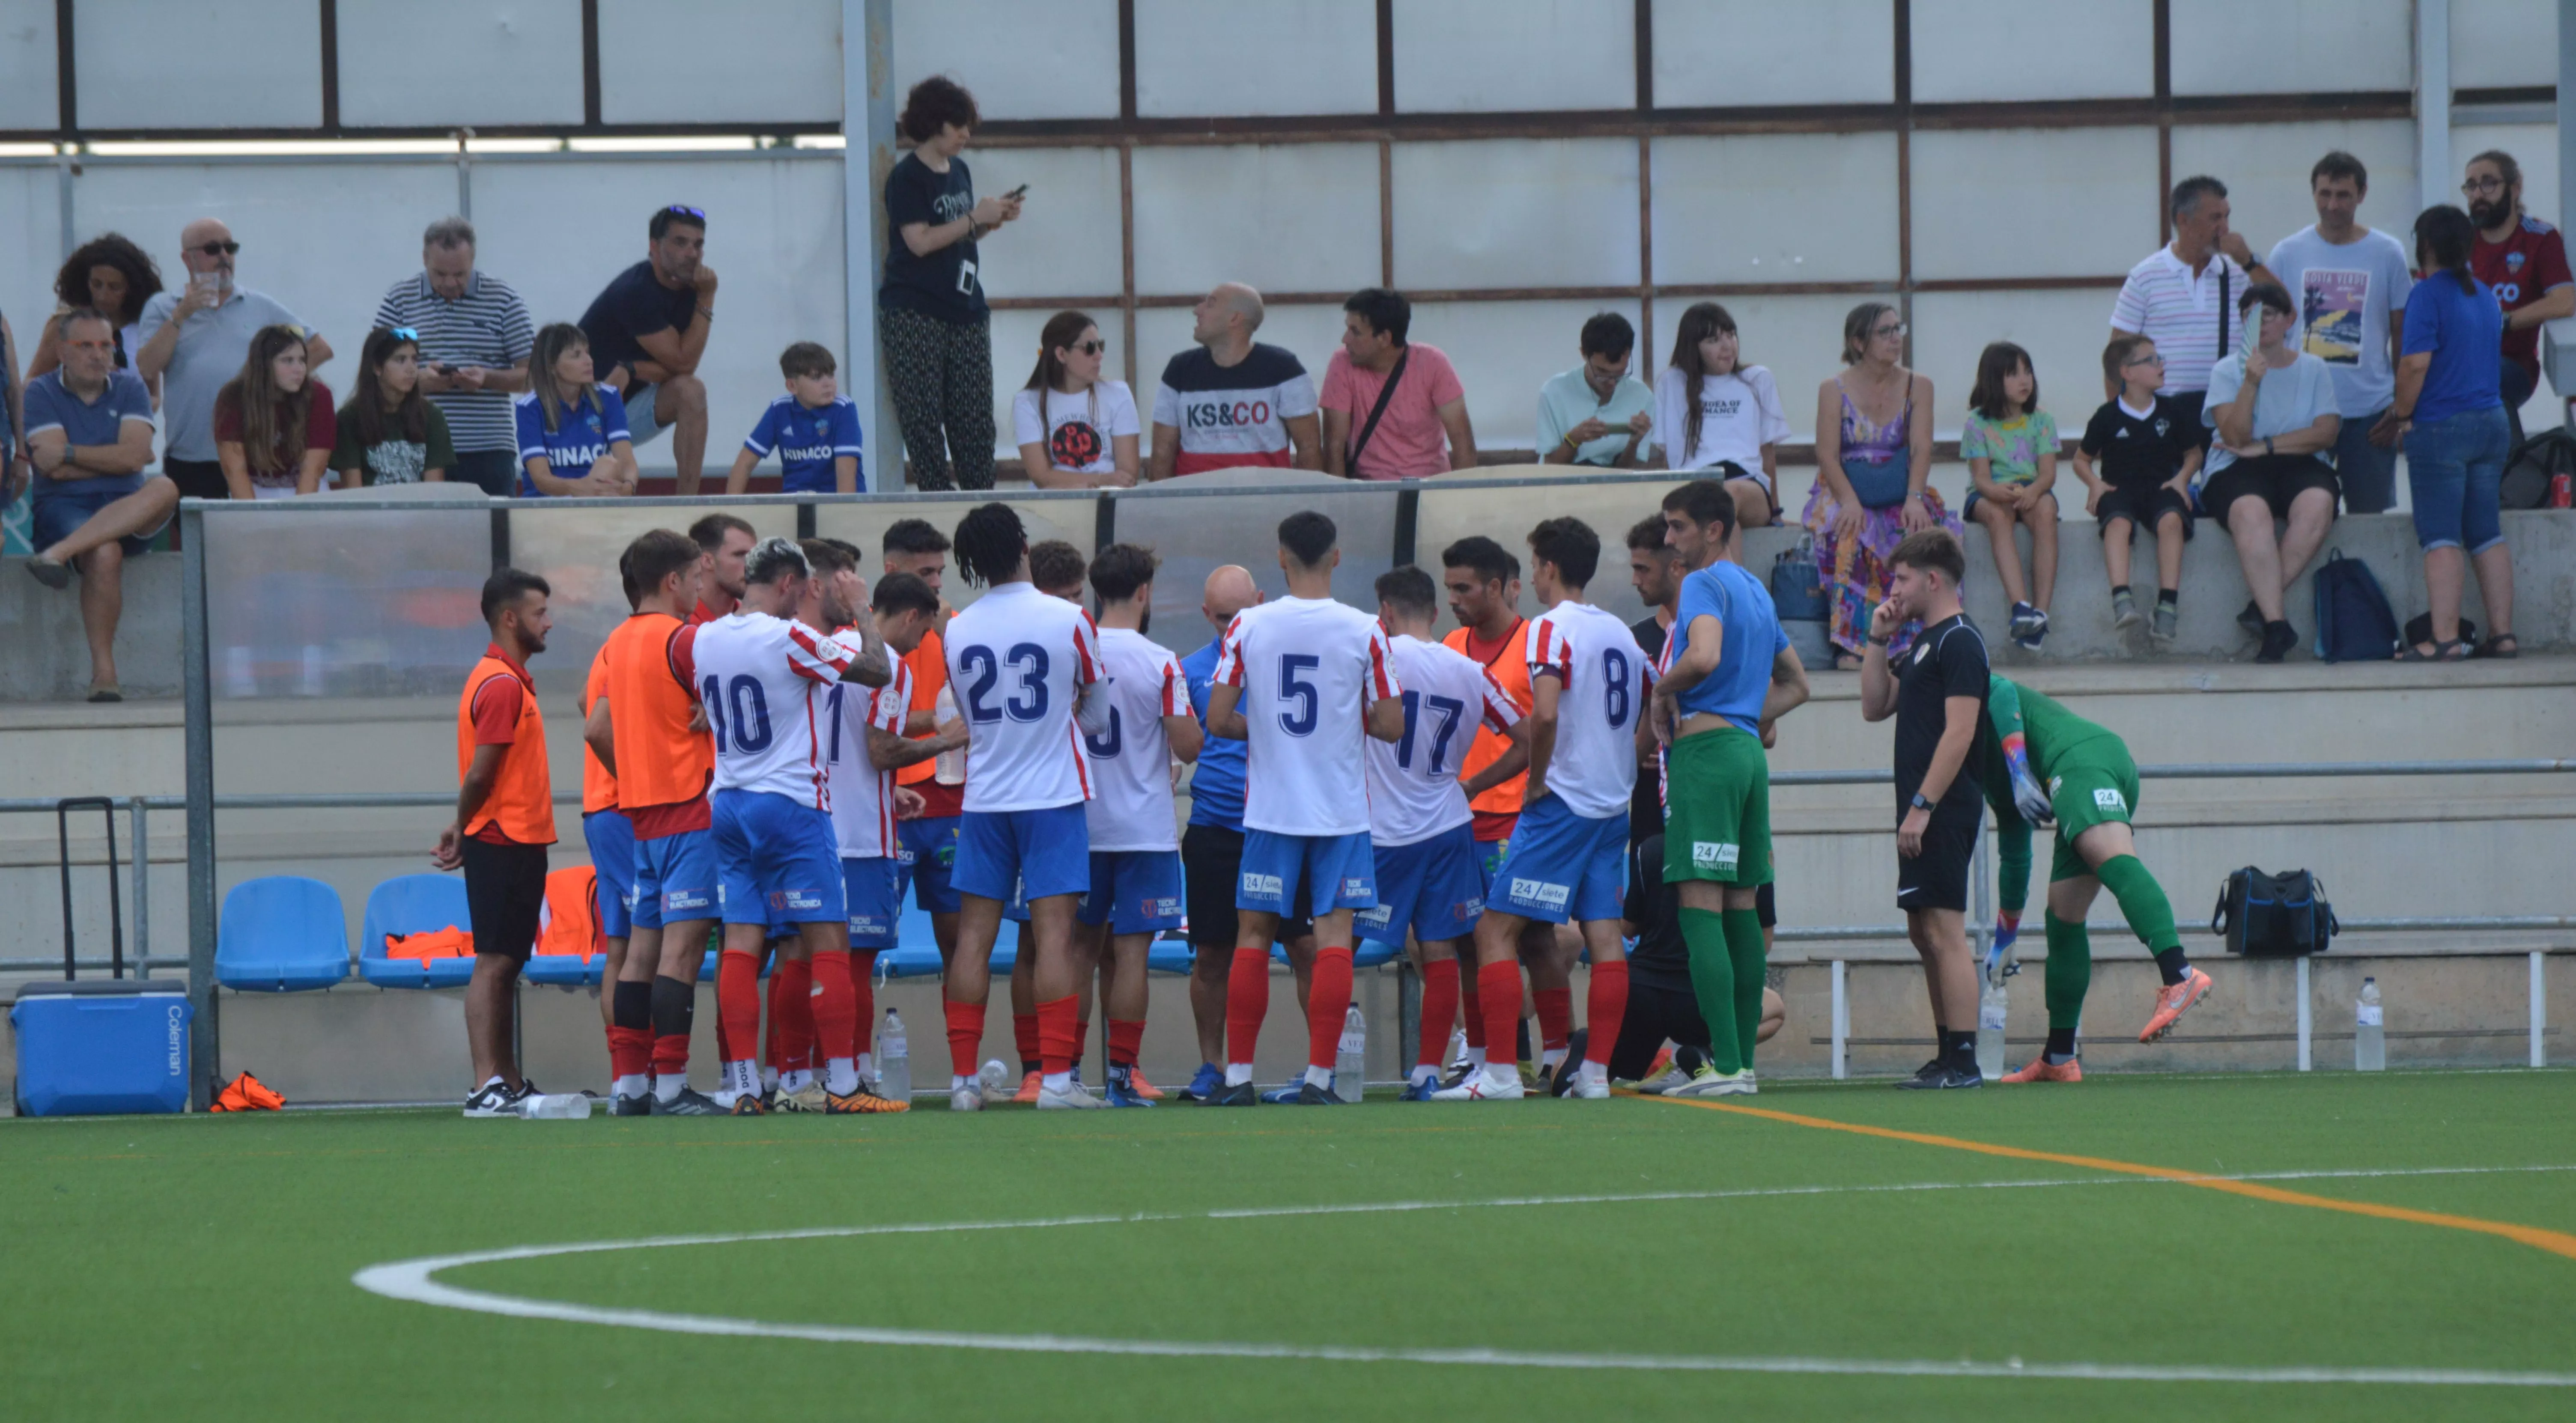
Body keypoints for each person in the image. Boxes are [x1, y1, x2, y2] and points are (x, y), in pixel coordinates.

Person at [1437, 518, 1647, 1102]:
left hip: (1563, 802)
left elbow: (1546, 715)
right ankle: (1595, 1075)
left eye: (1532, 566)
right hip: (1611, 804)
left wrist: (1537, 780)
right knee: (1604, 937)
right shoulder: (1621, 633)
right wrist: (1626, 760)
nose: (1530, 576)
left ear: (1548, 567)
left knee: (1493, 929)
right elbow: (1659, 700)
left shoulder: (1549, 631)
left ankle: (1501, 1073)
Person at [1206, 512, 1405, 1104]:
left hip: (1272, 811)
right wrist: (1343, 726)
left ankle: (1238, 1077)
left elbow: (1217, 720)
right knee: (1333, 938)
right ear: (1337, 558)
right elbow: (1392, 725)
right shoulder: (1366, 629)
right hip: (1340, 812)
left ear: (1281, 557)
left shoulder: (1248, 625)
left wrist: (1268, 731)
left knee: (1252, 935)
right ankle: (1322, 1078)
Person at [688, 538, 883, 1114]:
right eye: (801, 590)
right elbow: (873, 670)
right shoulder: (787, 636)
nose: (804, 600)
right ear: (786, 584)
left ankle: (746, 1086)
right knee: (828, 938)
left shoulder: (704, 638)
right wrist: (863, 611)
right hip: (791, 802)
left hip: (728, 803)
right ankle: (845, 1086)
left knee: (743, 943)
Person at [939, 503, 1110, 1110]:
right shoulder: (1069, 618)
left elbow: (966, 713)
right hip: (1053, 795)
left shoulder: (956, 628)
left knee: (973, 941)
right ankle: (1057, 1081)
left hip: (985, 798)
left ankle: (963, 1083)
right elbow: (1097, 712)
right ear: (1024, 547)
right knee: (1056, 937)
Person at [1645, 479, 1810, 1096]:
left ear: (1714, 529)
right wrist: (1753, 713)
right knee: (1742, 910)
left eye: (1678, 526)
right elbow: (1798, 684)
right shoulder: (1758, 592)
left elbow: (1704, 657)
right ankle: (1739, 1066)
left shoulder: (1703, 583)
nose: (1669, 539)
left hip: (1708, 757)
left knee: (1699, 911)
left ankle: (1726, 1065)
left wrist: (1664, 688)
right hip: (1745, 755)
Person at [1981, 676, 2212, 1085]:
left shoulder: (1966, 686)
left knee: (2116, 862)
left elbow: (1999, 689)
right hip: (2086, 764)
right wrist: (2005, 937)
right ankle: (2059, 1056)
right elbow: (2015, 849)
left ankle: (2179, 975)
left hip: (2079, 761)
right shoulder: (1977, 760)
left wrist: (2019, 768)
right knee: (2064, 913)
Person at [1360, 566, 1527, 1101]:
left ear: (1384, 613)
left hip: (1383, 831)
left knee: (1330, 945)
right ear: (1434, 612)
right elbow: (1526, 738)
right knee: (1441, 953)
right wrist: (1472, 785)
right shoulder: (1470, 670)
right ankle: (1426, 1072)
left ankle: (1326, 1072)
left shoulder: (1374, 659)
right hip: (1449, 827)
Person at [586, 528, 725, 1115]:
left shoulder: (616, 643)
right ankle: (671, 1085)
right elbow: (734, 706)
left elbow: (598, 724)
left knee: (640, 951)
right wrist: (709, 712)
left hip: (640, 815)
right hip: (690, 809)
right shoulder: (687, 640)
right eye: (696, 577)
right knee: (681, 951)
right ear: (673, 581)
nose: (700, 587)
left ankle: (629, 1085)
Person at [1176, 563, 1320, 1101]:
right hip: (1217, 826)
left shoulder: (1288, 660)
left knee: (1306, 946)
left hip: (1285, 823)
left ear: (1262, 600)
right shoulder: (1191, 669)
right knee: (1212, 954)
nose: (1229, 626)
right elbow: (1183, 742)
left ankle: (1320, 1070)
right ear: (1205, 614)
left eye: (1240, 614)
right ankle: (1214, 1067)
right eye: (1220, 618)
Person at [1857, 529, 1988, 1090]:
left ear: (1933, 579)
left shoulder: (1960, 640)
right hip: (1919, 809)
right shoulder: (1922, 643)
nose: (1896, 590)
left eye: (1904, 579)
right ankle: (1946, 1053)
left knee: (1944, 931)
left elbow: (1960, 734)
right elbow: (1874, 706)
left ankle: (1964, 1060)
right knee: (1923, 931)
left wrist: (1923, 806)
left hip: (1942, 808)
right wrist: (1878, 640)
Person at [1076, 545, 1205, 1107]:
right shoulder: (1161, 661)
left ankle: (1063, 1075)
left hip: (1079, 825)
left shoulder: (1075, 653)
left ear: (1096, 592)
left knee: (1075, 952)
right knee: (1131, 955)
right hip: (1144, 830)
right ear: (1144, 592)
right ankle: (1125, 1075)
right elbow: (1188, 744)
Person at [826, 569, 957, 1099]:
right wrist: (949, 741)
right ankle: (854, 1074)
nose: (923, 641)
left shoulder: (823, 647)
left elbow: (846, 743)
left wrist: (889, 791)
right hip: (860, 836)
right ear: (911, 617)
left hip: (815, 823)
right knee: (855, 962)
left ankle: (791, 1075)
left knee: (803, 957)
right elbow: (882, 752)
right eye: (925, 630)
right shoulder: (892, 666)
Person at [432, 568, 555, 1117]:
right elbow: (481, 775)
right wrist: (464, 824)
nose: (548, 622)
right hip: (502, 837)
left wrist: (465, 823)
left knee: (506, 963)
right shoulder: (502, 684)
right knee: (494, 962)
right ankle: (487, 1085)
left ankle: (505, 1079)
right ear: (510, 619)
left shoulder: (507, 678)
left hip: (513, 836)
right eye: (539, 613)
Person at [18, 309, 177, 702]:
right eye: (85, 345)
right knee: (105, 551)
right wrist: (110, 462)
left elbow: (136, 458)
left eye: (106, 345)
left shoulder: (130, 386)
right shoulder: (39, 392)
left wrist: (70, 453)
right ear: (62, 352)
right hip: (65, 508)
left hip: (127, 506)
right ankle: (104, 674)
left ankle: (57, 555)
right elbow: (49, 469)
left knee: (167, 488)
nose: (98, 354)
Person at [2381, 205, 2516, 661]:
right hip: (2492, 422)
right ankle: (2502, 635)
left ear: (2426, 247)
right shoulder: (2485, 295)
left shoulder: (2426, 295)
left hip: (2441, 428)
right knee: (2485, 533)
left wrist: (2401, 415)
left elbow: (2414, 364)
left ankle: (2444, 641)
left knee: (2439, 536)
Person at [1439, 536, 1551, 1083]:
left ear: (1496, 585)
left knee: (1533, 939)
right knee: (1465, 940)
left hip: (1515, 817)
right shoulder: (1450, 644)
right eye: (1449, 588)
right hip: (1459, 822)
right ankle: (1487, 1060)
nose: (1455, 599)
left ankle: (1553, 1055)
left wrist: (1475, 784)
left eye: (1464, 588)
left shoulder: (1533, 642)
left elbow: (1534, 736)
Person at [881, 76, 1020, 492]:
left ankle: (981, 499)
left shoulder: (959, 169)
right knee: (923, 417)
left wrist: (989, 222)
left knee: (974, 416)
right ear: (932, 123)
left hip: (965, 306)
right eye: (956, 124)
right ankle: (936, 499)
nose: (965, 134)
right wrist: (976, 218)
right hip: (916, 309)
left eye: (967, 125)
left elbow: (958, 233)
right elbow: (919, 241)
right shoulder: (907, 177)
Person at [136, 217, 332, 503]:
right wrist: (181, 315)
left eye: (231, 248)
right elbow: (146, 368)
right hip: (194, 457)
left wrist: (266, 388)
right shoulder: (164, 307)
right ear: (186, 259)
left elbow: (316, 348)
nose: (224, 257)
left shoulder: (257, 308)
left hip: (253, 458)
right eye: (213, 249)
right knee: (201, 545)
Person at [1806, 302, 1958, 669]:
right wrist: (1849, 501)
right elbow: (1827, 454)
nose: (1896, 339)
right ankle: (1854, 646)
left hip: (1901, 485)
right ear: (1859, 342)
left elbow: (1922, 447)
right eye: (1885, 332)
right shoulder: (1833, 389)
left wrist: (1915, 497)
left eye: (1898, 329)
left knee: (1919, 535)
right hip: (1846, 486)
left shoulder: (1918, 386)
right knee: (1849, 532)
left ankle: (1915, 639)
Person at [2265, 153, 2413, 514]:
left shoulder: (2387, 252)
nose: (2332, 205)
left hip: (2369, 415)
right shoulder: (2287, 253)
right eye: (2324, 194)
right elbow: (2264, 331)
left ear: (2362, 194)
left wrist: (2401, 407)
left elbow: (2403, 334)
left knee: (2370, 519)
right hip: (2301, 411)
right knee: (2295, 513)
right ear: (2313, 193)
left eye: (2343, 195)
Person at [2201, 281, 2341, 663]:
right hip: (2234, 464)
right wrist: (2250, 383)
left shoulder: (2313, 368)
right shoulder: (2227, 371)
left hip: (2297, 461)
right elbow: (2234, 435)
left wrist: (2267, 446)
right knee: (2251, 513)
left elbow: (2325, 433)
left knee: (2317, 506)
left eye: (2269, 315)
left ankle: (2260, 606)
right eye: (2249, 316)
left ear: (2289, 320)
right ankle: (2277, 625)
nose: (2259, 323)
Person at [374, 216, 534, 497]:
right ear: (424, 259)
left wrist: (487, 379)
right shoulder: (400, 301)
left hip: (488, 449)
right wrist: (417, 381)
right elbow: (376, 371)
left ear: (474, 258)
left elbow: (532, 375)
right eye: (440, 274)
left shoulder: (504, 300)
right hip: (415, 446)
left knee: (490, 535)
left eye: (460, 274)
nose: (450, 283)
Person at [1610, 835, 1784, 1093]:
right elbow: (1762, 945)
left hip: (1642, 990)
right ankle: (1713, 1055)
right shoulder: (1752, 851)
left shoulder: (1649, 849)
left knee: (1612, 1066)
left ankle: (1580, 1054)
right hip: (1699, 1002)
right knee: (1776, 1009)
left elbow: (1628, 928)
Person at [878, 520, 969, 1007]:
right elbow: (871, 726)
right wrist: (938, 722)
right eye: (925, 571)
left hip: (949, 800)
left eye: (940, 571)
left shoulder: (956, 629)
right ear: (892, 571)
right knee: (862, 943)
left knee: (961, 945)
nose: (937, 582)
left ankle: (964, 1073)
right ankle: (852, 1068)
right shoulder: (863, 639)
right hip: (886, 801)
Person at [2110, 176, 2273, 447]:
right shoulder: (2145, 277)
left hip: (2228, 414)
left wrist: (2249, 261)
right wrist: (2120, 425)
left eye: (2227, 217)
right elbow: (2117, 356)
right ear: (2184, 221)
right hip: (2160, 417)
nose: (2225, 228)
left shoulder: (2239, 274)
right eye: (2215, 218)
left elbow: (2285, 310)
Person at [578, 205, 715, 493]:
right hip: (583, 415)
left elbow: (685, 368)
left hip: (628, 404)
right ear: (654, 246)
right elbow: (683, 362)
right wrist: (708, 296)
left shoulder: (692, 288)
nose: (692, 253)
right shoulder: (635, 291)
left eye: (698, 245)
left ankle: (687, 507)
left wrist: (635, 368)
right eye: (681, 243)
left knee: (691, 391)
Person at [2074, 336, 2200, 644]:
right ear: (2127, 373)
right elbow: (2081, 459)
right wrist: (2095, 484)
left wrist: (2183, 479)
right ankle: (2122, 599)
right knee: (2118, 522)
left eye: (2160, 359)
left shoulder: (2172, 410)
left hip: (2162, 486)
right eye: (2152, 360)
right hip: (2120, 487)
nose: (2161, 366)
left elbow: (2194, 453)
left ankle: (2168, 605)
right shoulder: (2106, 415)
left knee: (2172, 520)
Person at [1147, 282, 1320, 479]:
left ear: (1235, 318)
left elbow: (1309, 449)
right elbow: (1162, 451)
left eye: (1210, 305)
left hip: (1267, 502)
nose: (1197, 311)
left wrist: (1308, 503)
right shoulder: (1179, 369)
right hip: (1194, 501)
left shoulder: (1285, 369)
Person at [580, 560, 642, 1109]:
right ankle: (631, 1075)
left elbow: (587, 705)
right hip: (622, 809)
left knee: (630, 942)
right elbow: (593, 720)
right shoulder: (628, 641)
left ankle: (633, 1076)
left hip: (617, 807)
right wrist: (638, 781)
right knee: (633, 943)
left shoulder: (627, 641)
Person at [2463, 149, 2575, 448]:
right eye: (2471, 186)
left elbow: (2565, 300)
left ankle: (2511, 471)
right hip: (2456, 359)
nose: (2478, 194)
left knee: (2484, 375)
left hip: (2513, 364)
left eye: (2489, 183)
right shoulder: (2458, 239)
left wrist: (2503, 322)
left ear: (2515, 188)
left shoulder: (2539, 237)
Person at [1652, 301, 1789, 531]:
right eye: (1714, 340)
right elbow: (1670, 454)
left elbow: (1768, 453)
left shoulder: (1756, 379)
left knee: (1725, 498)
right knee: (1725, 523)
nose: (1728, 347)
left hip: (1747, 485)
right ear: (1693, 347)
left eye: (1731, 335)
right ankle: (1725, 567)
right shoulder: (1673, 381)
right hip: (1694, 486)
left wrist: (1776, 513)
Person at [1960, 341, 2061, 651]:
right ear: (1993, 379)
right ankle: (2021, 608)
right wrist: (1997, 492)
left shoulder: (2042, 420)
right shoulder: (1977, 423)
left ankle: (2041, 613)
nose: (2025, 380)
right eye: (2013, 374)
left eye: (2028, 372)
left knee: (2046, 510)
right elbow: (1981, 479)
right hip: (1991, 493)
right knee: (1997, 516)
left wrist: (2033, 491)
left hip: (2031, 489)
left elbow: (2048, 474)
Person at [1319, 288, 1475, 479]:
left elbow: (1463, 443)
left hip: (1428, 487)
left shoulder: (1433, 363)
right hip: (1368, 489)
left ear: (1384, 338)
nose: (1345, 340)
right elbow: (1334, 446)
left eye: (1355, 332)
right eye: (1347, 328)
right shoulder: (1342, 363)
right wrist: (1341, 503)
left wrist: (1458, 502)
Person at [1014, 310, 1140, 488]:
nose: (1099, 355)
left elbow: (1127, 475)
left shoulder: (1119, 393)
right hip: (1054, 504)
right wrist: (1101, 480)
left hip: (1108, 500)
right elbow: (1042, 477)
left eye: (1100, 346)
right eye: (1089, 348)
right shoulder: (1027, 402)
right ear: (1061, 355)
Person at [512, 323, 638, 498]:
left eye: (587, 352)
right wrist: (579, 489)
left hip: (597, 498)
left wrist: (629, 485)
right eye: (576, 355)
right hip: (547, 504)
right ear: (551, 366)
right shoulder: (529, 408)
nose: (589, 361)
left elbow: (626, 462)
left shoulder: (608, 397)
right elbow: (541, 478)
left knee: (607, 464)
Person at [212, 324, 334, 498]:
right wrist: (254, 520)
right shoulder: (233, 397)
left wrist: (297, 519)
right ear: (264, 365)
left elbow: (313, 470)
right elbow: (235, 471)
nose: (299, 369)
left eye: (302, 360)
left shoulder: (319, 395)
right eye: (288, 361)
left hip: (307, 491)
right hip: (255, 489)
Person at [724, 342, 862, 494]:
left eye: (830, 375)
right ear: (792, 386)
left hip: (834, 503)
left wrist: (845, 514)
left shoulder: (843, 409)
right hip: (793, 503)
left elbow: (846, 472)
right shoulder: (779, 410)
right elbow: (744, 464)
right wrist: (731, 512)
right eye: (816, 378)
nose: (828, 384)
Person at [27, 233, 162, 385]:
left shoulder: (143, 327)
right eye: (97, 285)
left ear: (131, 289)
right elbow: (31, 384)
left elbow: (153, 396)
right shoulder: (64, 325)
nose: (103, 296)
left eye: (115, 288)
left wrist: (123, 393)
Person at [330, 327, 456, 486]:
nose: (411, 369)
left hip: (420, 509)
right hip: (371, 510)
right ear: (377, 367)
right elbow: (354, 494)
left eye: (415, 360)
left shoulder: (432, 415)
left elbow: (435, 490)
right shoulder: (349, 418)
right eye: (400, 360)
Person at [1535, 311, 1653, 469]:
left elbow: (1628, 475)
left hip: (1618, 488)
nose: (1612, 383)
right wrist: (1573, 440)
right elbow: (1549, 468)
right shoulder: (1554, 392)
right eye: (1602, 373)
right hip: (1564, 488)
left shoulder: (1642, 395)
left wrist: (1634, 443)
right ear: (1584, 354)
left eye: (1620, 374)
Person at [690, 512, 757, 624]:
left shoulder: (755, 622)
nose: (753, 564)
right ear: (707, 561)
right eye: (740, 555)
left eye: (755, 555)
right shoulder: (679, 625)